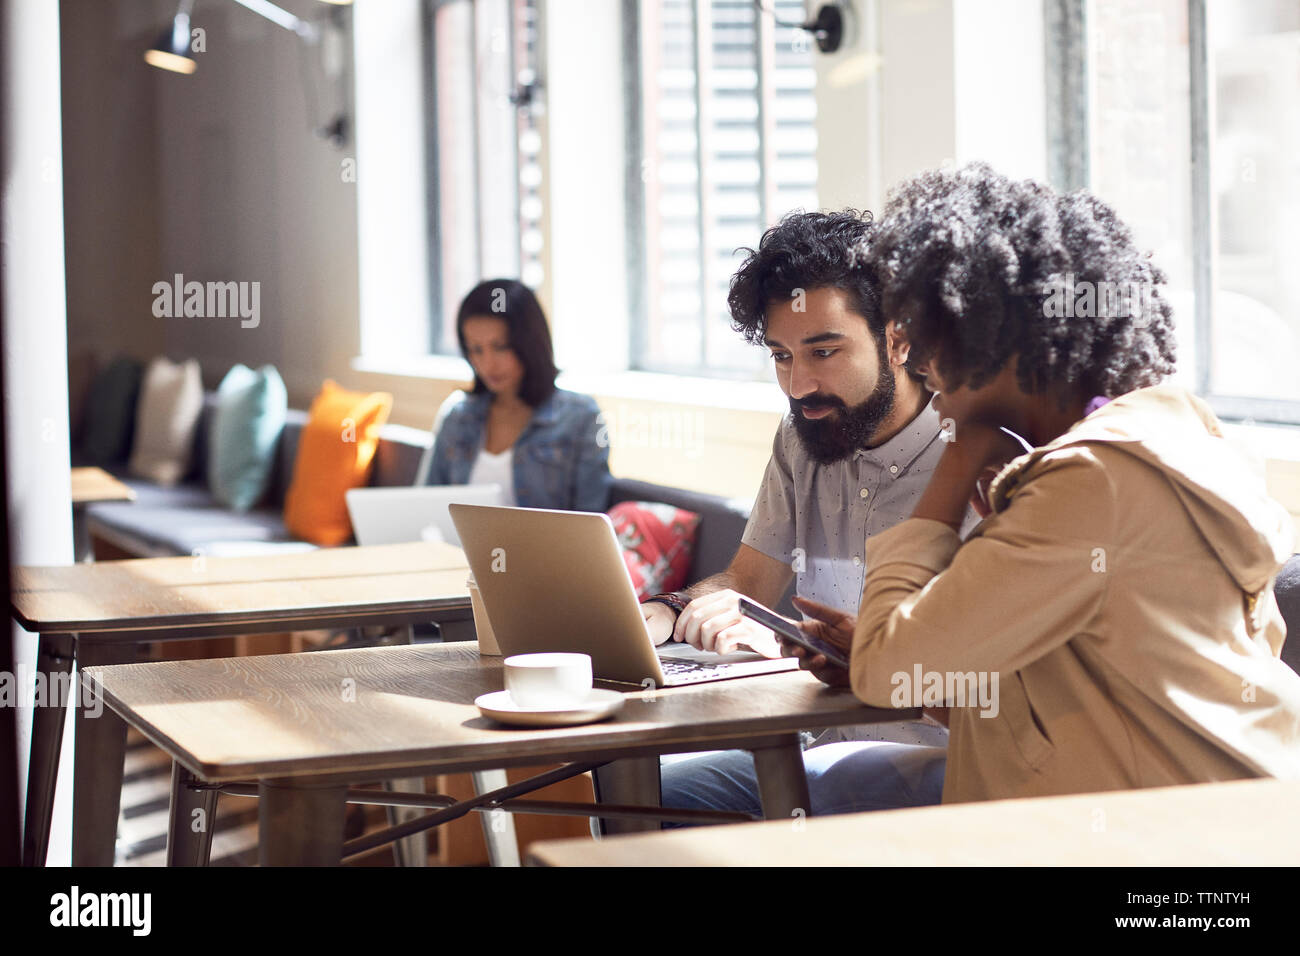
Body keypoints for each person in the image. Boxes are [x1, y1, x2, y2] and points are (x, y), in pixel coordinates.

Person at [787, 162, 1300, 802]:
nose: (916, 360)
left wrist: (956, 459)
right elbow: (1057, 703)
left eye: (929, 332)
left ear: (992, 334)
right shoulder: (1178, 444)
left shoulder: (1092, 483)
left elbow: (891, 673)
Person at [643, 210, 975, 820]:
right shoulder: (804, 437)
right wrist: (670, 611)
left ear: (898, 339)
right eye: (781, 357)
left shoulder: (973, 458)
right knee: (637, 796)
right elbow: (747, 584)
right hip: (817, 739)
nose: (798, 386)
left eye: (824, 352)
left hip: (946, 762)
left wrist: (872, 660)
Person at [422, 279, 611, 513]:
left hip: (543, 551)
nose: (487, 364)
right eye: (476, 349)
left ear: (529, 344)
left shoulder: (580, 418)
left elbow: (591, 526)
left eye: (500, 347)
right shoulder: (457, 416)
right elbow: (425, 505)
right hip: (454, 550)